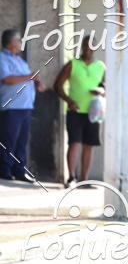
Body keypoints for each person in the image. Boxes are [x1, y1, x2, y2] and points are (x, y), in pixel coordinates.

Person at [53, 36, 105, 187]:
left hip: (94, 112)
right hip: (74, 111)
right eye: (85, 46)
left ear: (96, 47)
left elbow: (106, 85)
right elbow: (58, 85)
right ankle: (71, 178)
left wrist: (101, 90)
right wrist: (69, 101)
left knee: (89, 145)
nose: (88, 49)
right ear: (81, 46)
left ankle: (84, 179)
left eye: (92, 46)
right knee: (74, 143)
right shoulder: (72, 64)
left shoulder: (101, 66)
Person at [0, 29, 46, 183]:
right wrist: (29, 76)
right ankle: (5, 170)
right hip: (11, 107)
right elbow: (7, 79)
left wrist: (37, 83)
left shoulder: (20, 61)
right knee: (9, 140)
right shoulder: (2, 59)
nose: (21, 43)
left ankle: (20, 170)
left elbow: (27, 78)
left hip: (26, 107)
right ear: (10, 42)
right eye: (19, 40)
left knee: (22, 141)